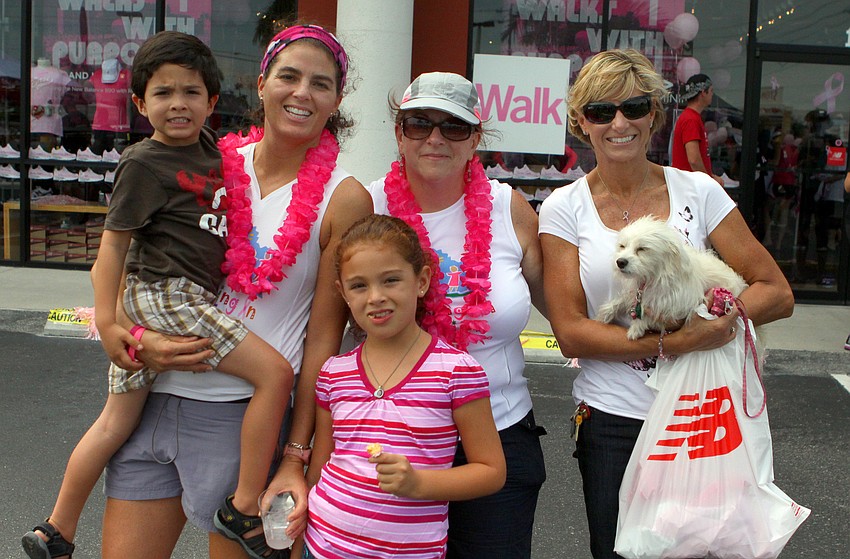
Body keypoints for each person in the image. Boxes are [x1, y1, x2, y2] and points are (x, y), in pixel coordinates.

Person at [97, 25, 371, 559]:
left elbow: (323, 339)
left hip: (241, 418)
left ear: (337, 99)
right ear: (261, 84)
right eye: (288, 76)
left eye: (320, 83)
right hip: (151, 397)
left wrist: (295, 453)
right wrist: (134, 338)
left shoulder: (344, 198)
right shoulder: (209, 163)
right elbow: (136, 266)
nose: (302, 92)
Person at [22, 30, 295, 559]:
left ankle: (56, 530)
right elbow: (111, 251)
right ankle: (243, 509)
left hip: (170, 299)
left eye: (191, 92)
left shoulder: (216, 152)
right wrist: (109, 326)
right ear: (140, 103)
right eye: (163, 93)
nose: (177, 104)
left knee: (115, 422)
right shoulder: (143, 162)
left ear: (212, 102)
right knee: (276, 374)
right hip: (170, 296)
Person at [537, 49, 794, 559]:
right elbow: (570, 331)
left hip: (700, 414)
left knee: (701, 550)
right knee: (618, 551)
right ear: (581, 122)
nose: (619, 124)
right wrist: (678, 342)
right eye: (601, 111)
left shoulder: (697, 191)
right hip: (613, 419)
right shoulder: (564, 208)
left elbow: (776, 291)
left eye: (634, 107)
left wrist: (717, 318)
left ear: (653, 114)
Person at [367, 71, 548, 559]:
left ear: (475, 139)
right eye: (418, 123)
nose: (435, 138)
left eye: (453, 126)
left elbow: (565, 313)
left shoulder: (510, 208)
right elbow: (328, 320)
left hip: (501, 431)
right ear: (399, 132)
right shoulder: (368, 206)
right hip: (395, 436)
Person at [299, 214, 506, 558]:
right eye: (359, 286)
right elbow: (319, 469)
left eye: (391, 280)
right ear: (342, 293)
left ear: (421, 280)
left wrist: (419, 483)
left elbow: (491, 471)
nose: (376, 297)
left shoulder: (457, 372)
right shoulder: (334, 373)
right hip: (321, 547)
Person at [671, 73, 724, 186]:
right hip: (690, 187)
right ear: (703, 93)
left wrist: (710, 176)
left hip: (689, 185)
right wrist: (709, 182)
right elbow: (694, 159)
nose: (712, 94)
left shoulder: (691, 117)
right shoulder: (691, 119)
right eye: (711, 91)